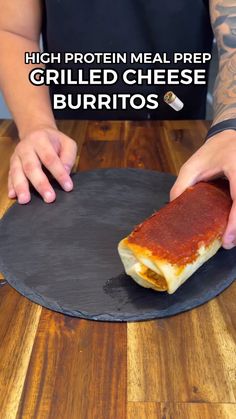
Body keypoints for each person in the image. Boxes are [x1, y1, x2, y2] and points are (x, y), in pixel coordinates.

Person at [0, 1, 236, 249]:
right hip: (64, 149)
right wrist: (36, 125)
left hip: (188, 149)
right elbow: (13, 31)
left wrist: (230, 129)